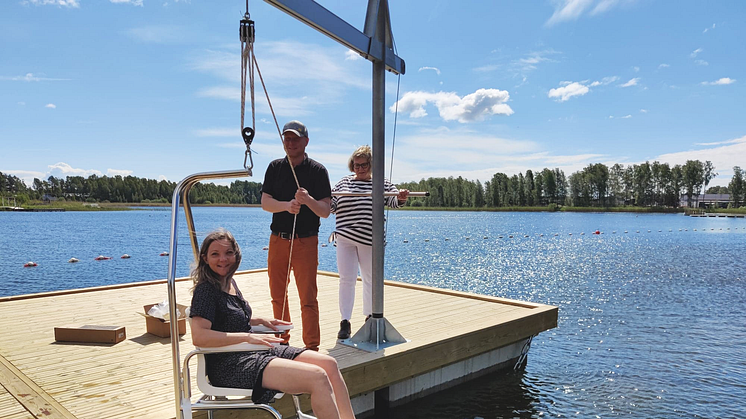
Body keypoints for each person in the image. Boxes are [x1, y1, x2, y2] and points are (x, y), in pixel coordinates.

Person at [189, 229, 356, 419]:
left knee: (329, 365)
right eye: (215, 254)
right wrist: (248, 336)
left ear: (236, 254)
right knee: (317, 377)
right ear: (204, 258)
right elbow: (200, 335)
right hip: (231, 364)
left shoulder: (228, 282)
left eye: (228, 253)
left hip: (253, 351)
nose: (223, 259)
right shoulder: (206, 290)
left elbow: (225, 319)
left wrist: (258, 321)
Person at [261, 120, 331, 351]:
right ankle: (282, 341)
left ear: (305, 142)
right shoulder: (274, 168)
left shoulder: (318, 171)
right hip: (278, 239)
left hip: (306, 241)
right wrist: (287, 206)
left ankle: (312, 347)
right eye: (287, 138)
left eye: (295, 139)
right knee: (277, 295)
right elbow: (265, 203)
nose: (290, 143)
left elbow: (325, 211)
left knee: (308, 298)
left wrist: (307, 200)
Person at [331, 145, 409, 339]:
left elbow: (394, 201)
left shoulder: (381, 182)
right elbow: (331, 205)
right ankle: (345, 321)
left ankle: (369, 317)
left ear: (371, 165)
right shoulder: (343, 183)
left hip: (370, 240)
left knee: (370, 279)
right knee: (346, 279)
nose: (360, 169)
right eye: (356, 165)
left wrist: (401, 197)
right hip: (345, 238)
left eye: (364, 164)